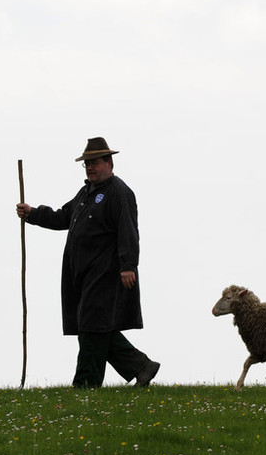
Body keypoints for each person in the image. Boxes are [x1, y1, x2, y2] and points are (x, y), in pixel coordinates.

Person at [16, 137, 161, 388]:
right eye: (86, 164)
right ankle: (141, 365)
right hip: (82, 274)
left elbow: (129, 231)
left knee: (92, 325)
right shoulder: (85, 193)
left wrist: (128, 265)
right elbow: (63, 217)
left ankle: (85, 384)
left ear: (109, 162)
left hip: (106, 272)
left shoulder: (119, 192)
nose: (90, 167)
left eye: (94, 162)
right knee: (94, 326)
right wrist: (33, 214)